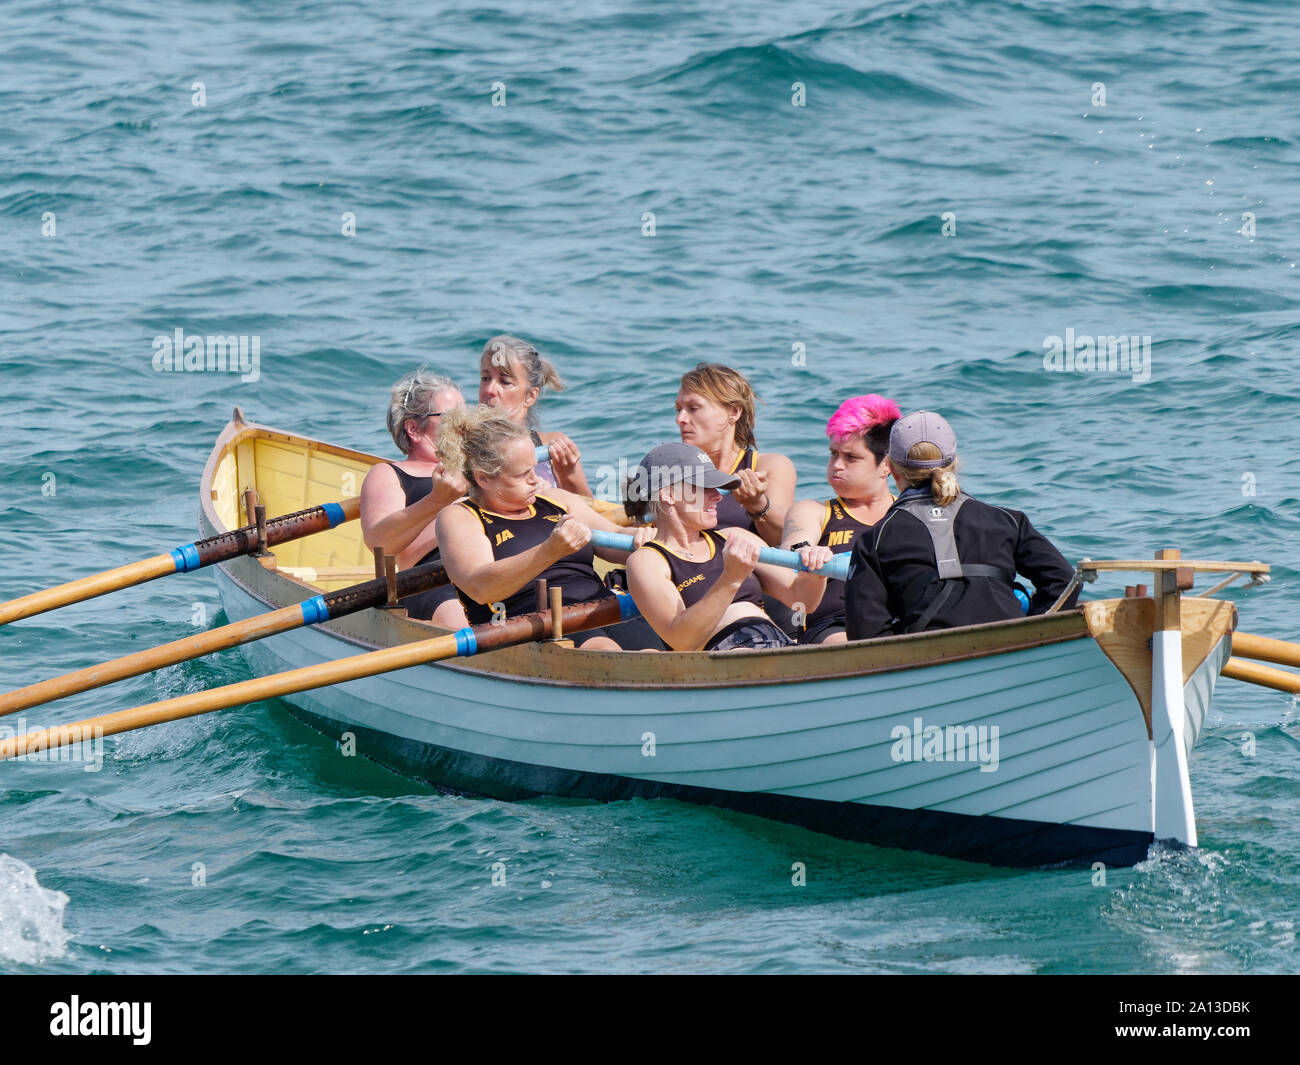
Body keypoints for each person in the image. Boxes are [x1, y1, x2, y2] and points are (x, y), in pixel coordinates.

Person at [433, 405, 658, 650]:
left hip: (603, 607)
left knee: (660, 649)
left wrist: (647, 540)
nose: (536, 479)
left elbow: (615, 537)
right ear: (483, 478)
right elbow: (481, 587)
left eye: (534, 467)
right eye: (523, 474)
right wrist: (549, 550)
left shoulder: (556, 499)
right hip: (531, 624)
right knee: (604, 649)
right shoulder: (459, 517)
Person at [844, 411, 1079, 639]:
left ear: (892, 470)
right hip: (1010, 641)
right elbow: (1065, 581)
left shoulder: (875, 539)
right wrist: (1034, 628)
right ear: (955, 463)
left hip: (928, 657)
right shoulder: (1007, 520)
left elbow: (865, 633)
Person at [624, 442, 834, 651]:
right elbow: (680, 639)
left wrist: (815, 573)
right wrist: (730, 579)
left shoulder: (733, 537)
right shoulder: (647, 561)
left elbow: (802, 600)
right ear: (669, 494)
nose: (717, 496)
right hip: (723, 656)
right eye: (704, 487)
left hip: (774, 641)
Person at [781, 395, 900, 645]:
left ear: (887, 465)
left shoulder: (907, 514)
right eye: (833, 454)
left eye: (851, 458)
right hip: (833, 626)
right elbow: (796, 542)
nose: (837, 465)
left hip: (898, 620)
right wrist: (806, 552)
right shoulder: (813, 511)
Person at [359, 368, 469, 628]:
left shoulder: (479, 468)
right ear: (413, 429)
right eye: (452, 417)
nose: (464, 424)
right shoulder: (390, 473)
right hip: (434, 581)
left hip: (495, 565)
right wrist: (437, 501)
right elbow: (379, 543)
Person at [674, 363, 795, 548]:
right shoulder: (674, 471)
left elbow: (784, 543)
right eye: (678, 409)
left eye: (693, 408)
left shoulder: (770, 467)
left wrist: (757, 505)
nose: (680, 419)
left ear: (734, 412)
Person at [478, 334, 592, 496]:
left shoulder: (553, 448)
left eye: (505, 382)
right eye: (485, 378)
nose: (489, 390)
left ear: (530, 396)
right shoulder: (462, 447)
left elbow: (590, 512)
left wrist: (568, 476)